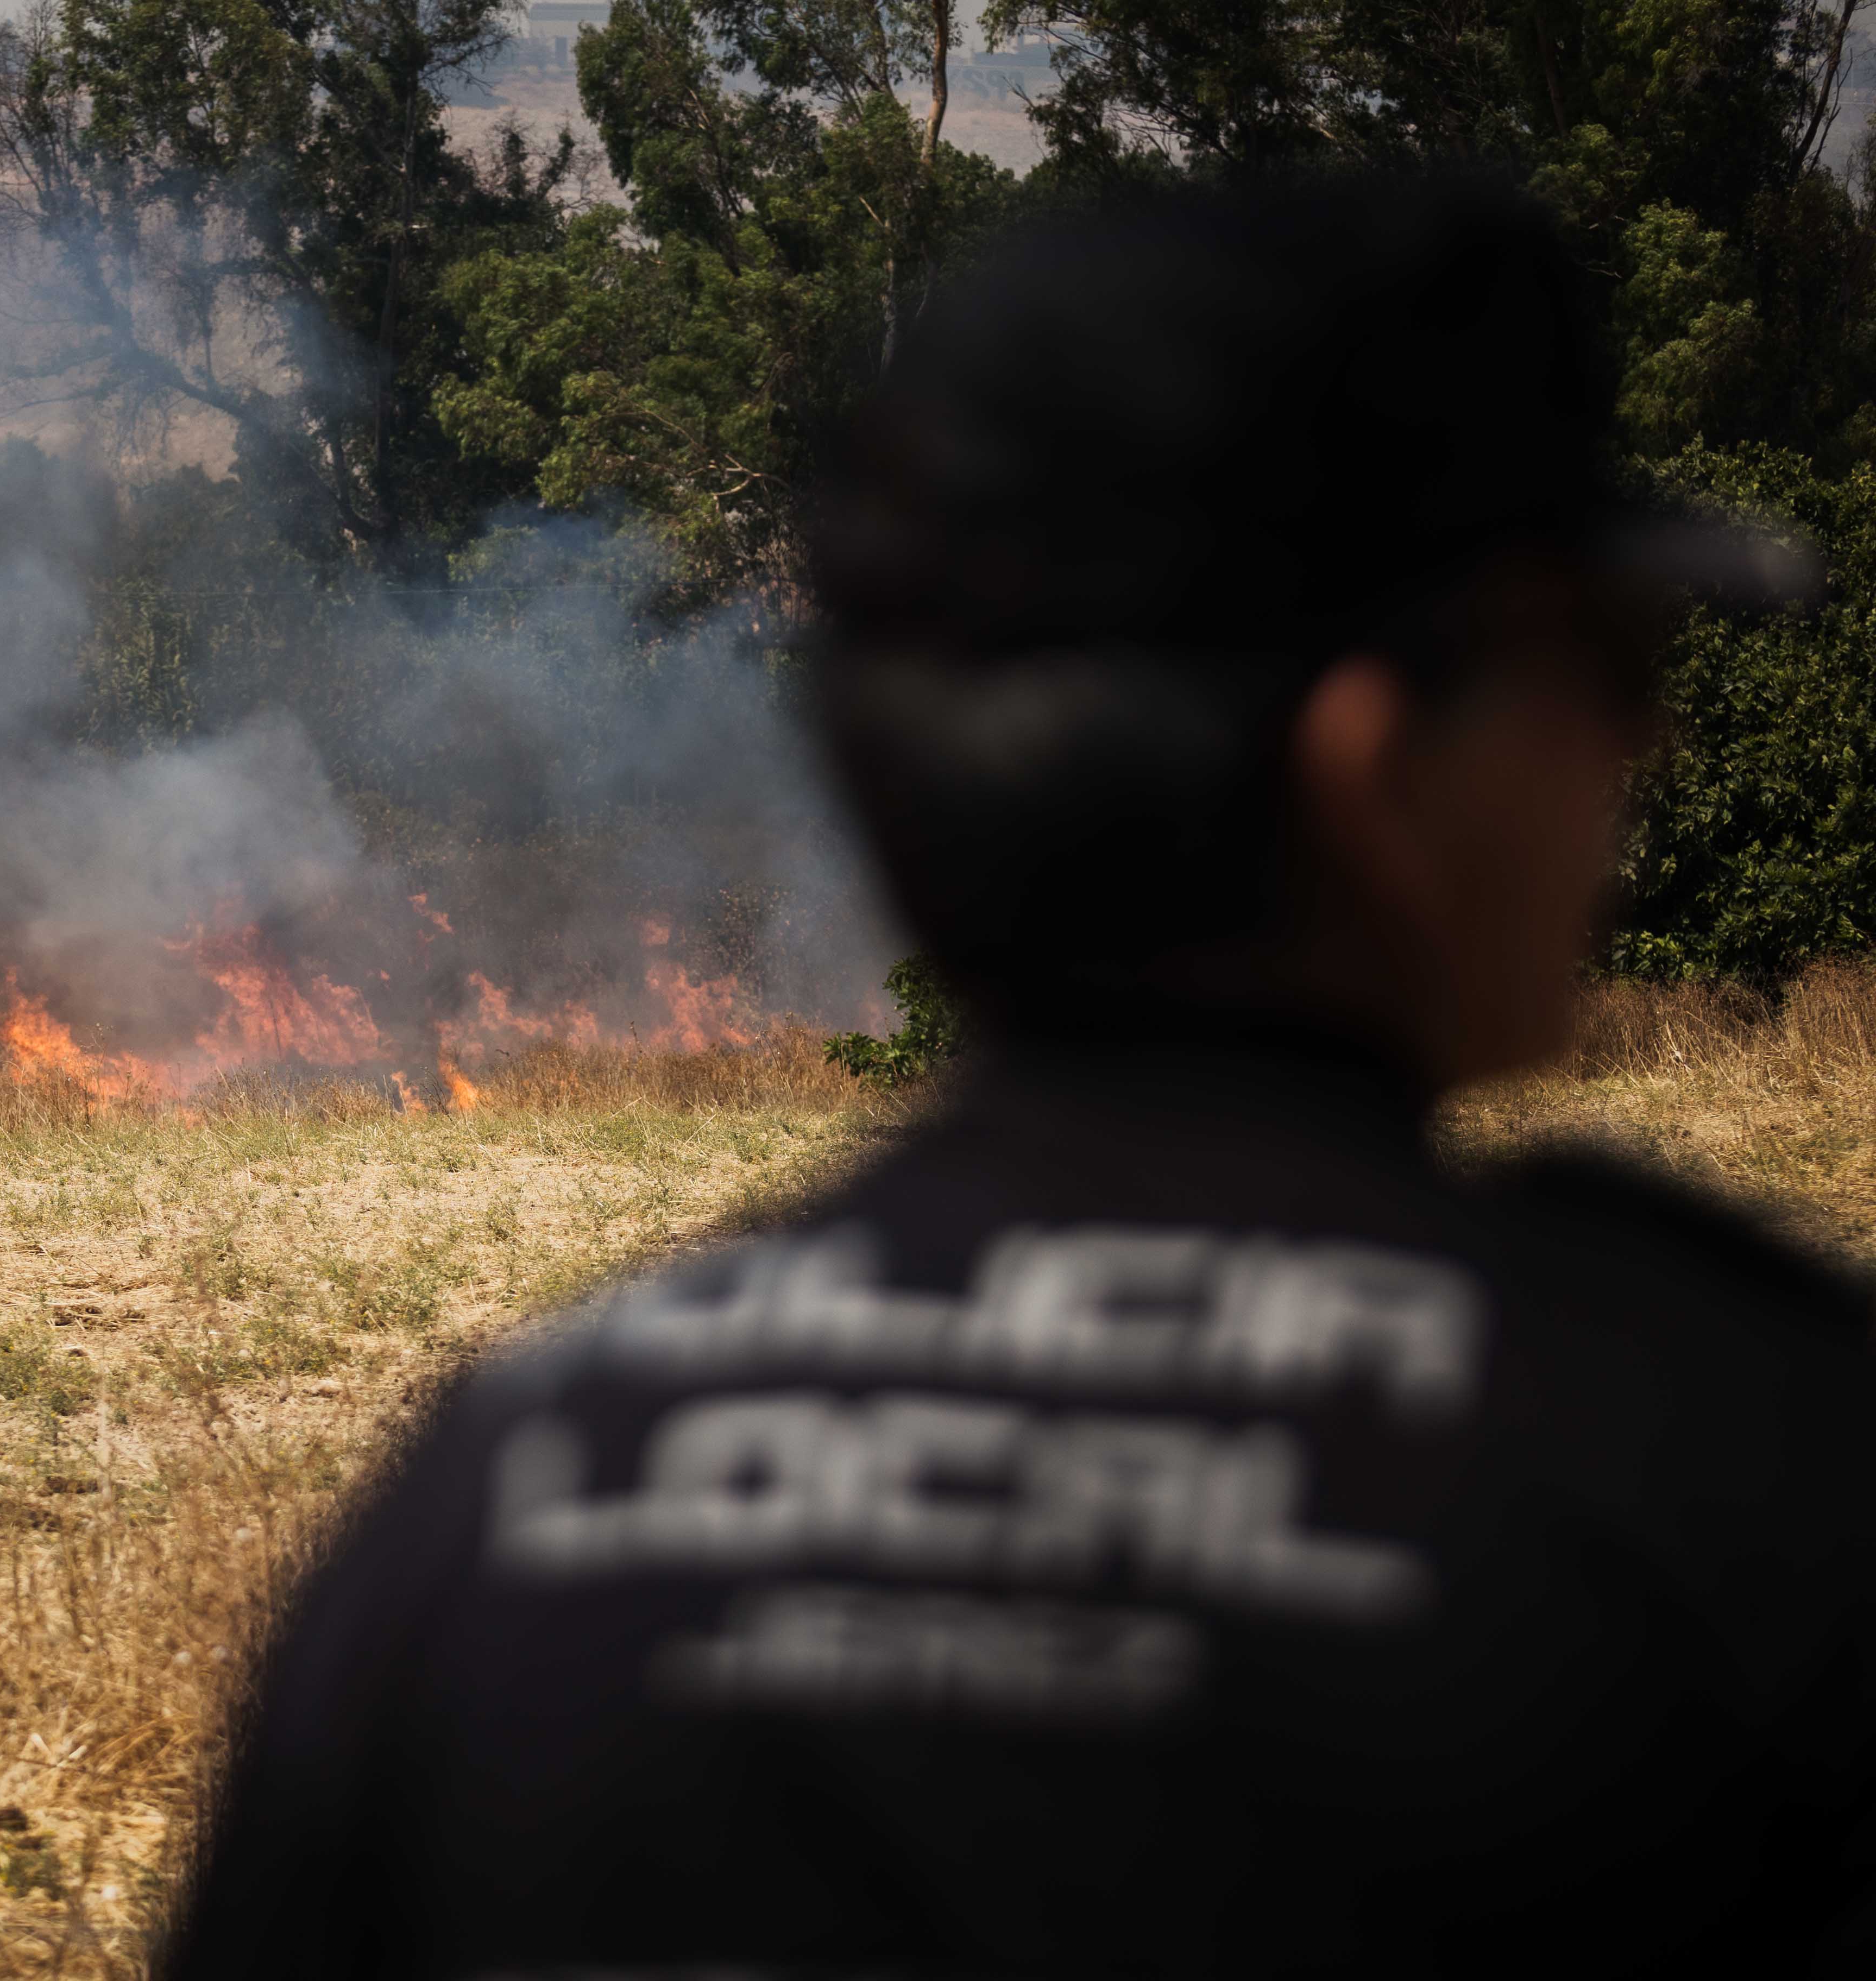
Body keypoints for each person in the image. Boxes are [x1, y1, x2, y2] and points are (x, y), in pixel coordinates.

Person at [159, 174, 1876, 1979]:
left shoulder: (495, 1508)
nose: (1646, 734)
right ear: (1374, 773)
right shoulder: (1743, 1476)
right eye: (1606, 660)